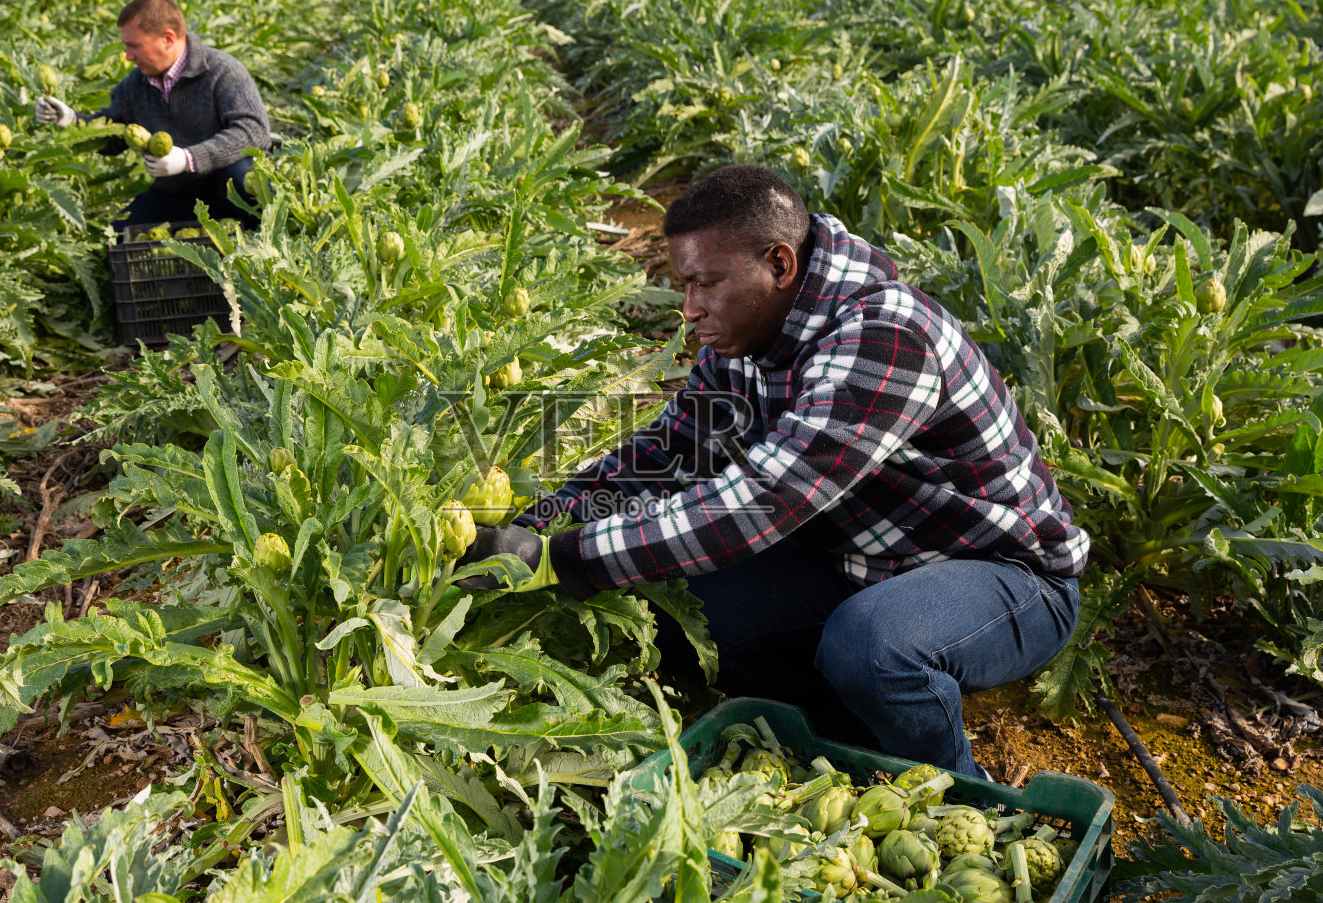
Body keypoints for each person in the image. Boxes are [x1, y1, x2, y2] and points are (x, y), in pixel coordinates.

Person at [457, 164, 1089, 778]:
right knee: (680, 612)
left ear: (779, 265)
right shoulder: (751, 334)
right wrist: (535, 525)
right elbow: (669, 452)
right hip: (849, 559)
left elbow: (763, 501)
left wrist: (564, 559)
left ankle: (957, 795)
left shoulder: (885, 336)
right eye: (683, 286)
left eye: (705, 283)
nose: (689, 309)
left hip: (1001, 575)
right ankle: (849, 741)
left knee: (872, 645)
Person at [34, 0, 272, 232]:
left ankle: (263, 236)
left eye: (134, 46)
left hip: (229, 191)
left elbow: (254, 131)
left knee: (245, 177)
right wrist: (71, 120)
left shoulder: (223, 71)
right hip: (177, 195)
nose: (128, 56)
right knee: (119, 233)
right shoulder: (135, 85)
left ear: (167, 39)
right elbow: (112, 134)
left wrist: (188, 159)